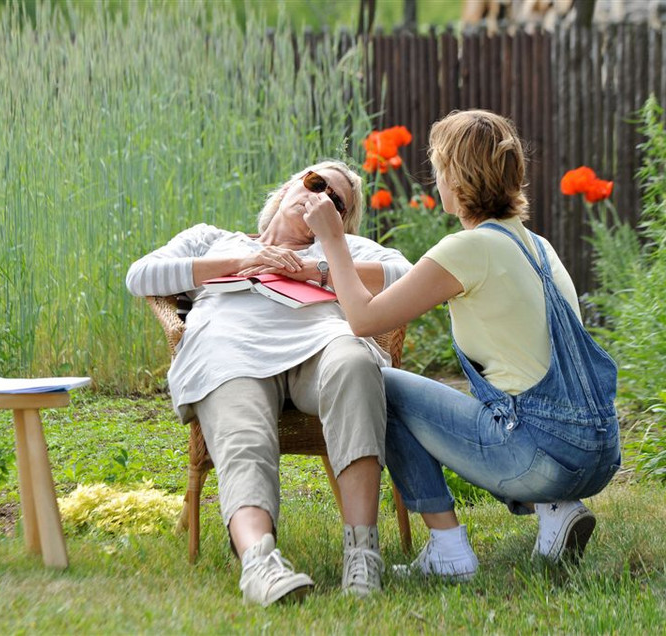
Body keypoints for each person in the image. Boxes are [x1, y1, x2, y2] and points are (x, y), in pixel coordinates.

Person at [304, 110, 621, 580]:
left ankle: (449, 549)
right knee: (506, 401)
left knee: (378, 382)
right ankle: (556, 511)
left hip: (543, 455)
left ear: (456, 176)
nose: (435, 180)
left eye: (437, 167)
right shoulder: (537, 245)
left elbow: (364, 320)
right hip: (597, 450)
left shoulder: (466, 250)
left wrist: (332, 240)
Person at [126, 161, 413, 605]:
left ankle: (362, 554)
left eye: (336, 202)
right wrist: (245, 261)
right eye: (316, 183)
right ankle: (259, 563)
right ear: (290, 186)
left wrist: (319, 266)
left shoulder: (343, 246)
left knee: (355, 364)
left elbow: (406, 276)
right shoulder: (213, 240)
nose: (321, 199)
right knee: (243, 433)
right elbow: (140, 275)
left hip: (320, 344)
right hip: (231, 350)